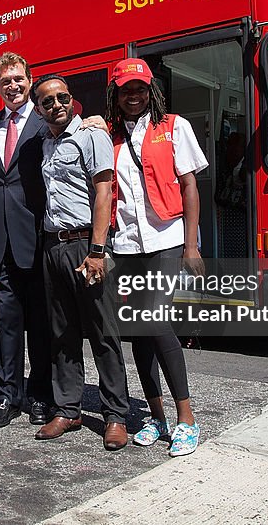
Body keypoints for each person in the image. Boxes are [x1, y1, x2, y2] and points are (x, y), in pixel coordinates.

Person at [105, 58, 208, 458]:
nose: (134, 95)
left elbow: (189, 186)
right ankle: (157, 416)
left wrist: (191, 246)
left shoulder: (174, 127)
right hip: (127, 242)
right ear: (116, 93)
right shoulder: (108, 135)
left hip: (166, 237)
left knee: (157, 321)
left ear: (152, 90)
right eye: (126, 89)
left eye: (140, 88)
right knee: (140, 332)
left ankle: (187, 419)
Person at [31, 74, 131, 451]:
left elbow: (104, 192)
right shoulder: (45, 141)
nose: (56, 104)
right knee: (62, 334)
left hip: (86, 246)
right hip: (52, 247)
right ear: (39, 109)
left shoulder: (91, 135)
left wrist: (97, 250)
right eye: (47, 101)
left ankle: (116, 415)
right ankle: (68, 408)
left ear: (72, 100)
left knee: (103, 333)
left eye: (62, 97)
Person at [0, 52, 52, 428]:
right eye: (6, 81)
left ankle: (41, 395)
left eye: (19, 79)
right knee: (7, 325)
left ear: (29, 80)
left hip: (37, 237)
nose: (13, 86)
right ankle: (7, 396)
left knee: (40, 325)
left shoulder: (46, 123)